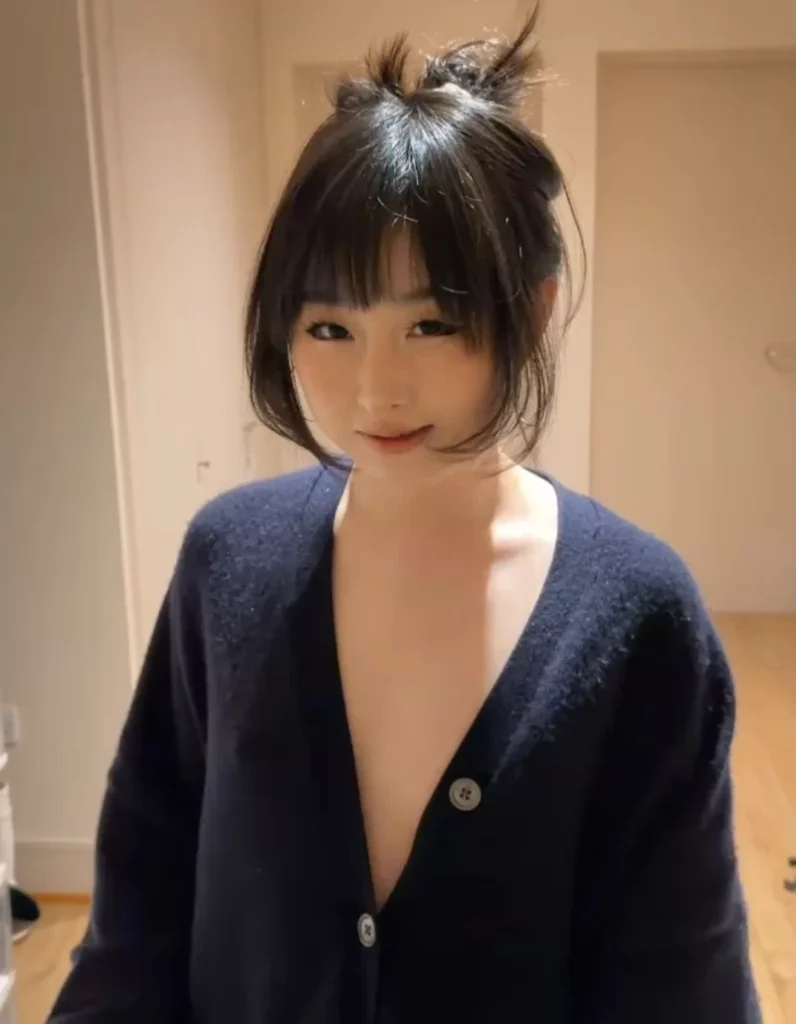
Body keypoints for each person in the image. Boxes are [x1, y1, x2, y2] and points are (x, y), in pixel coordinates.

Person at [50, 12, 761, 1024]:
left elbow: (680, 983)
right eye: (329, 326)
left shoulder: (639, 612)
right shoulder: (227, 560)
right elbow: (140, 908)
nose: (376, 389)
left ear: (535, 311)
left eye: (431, 323)